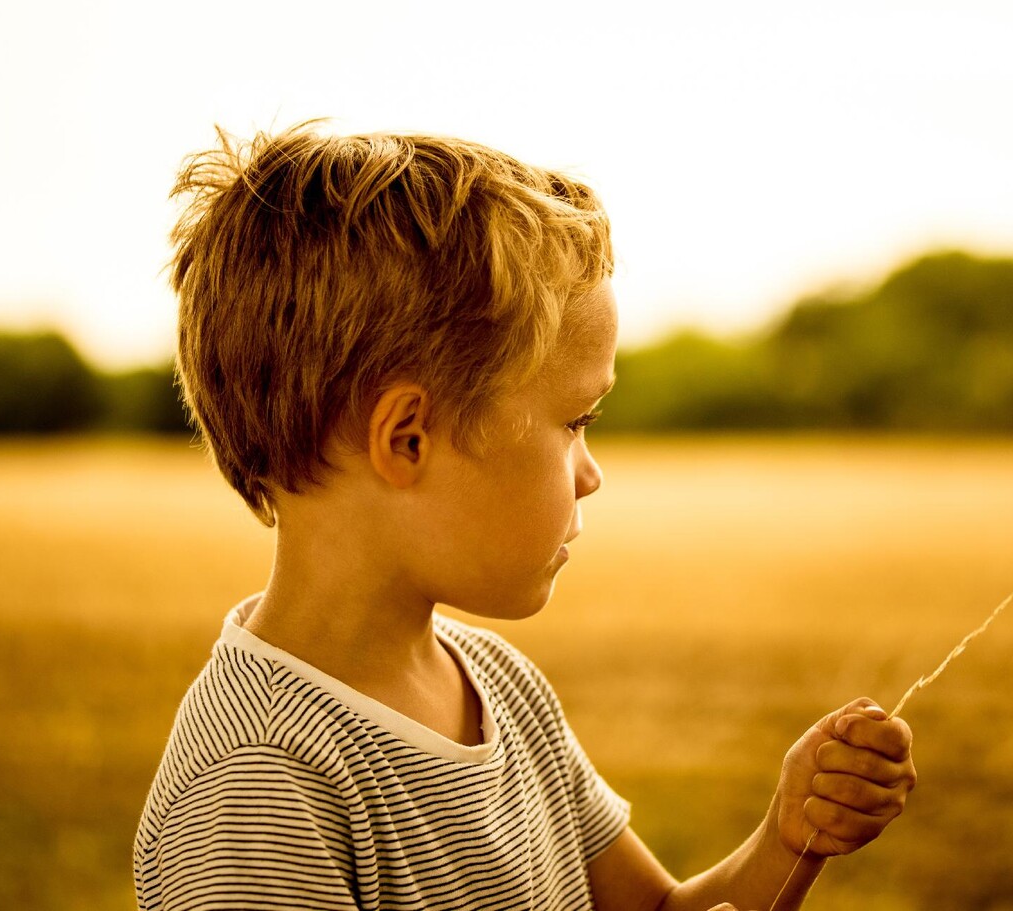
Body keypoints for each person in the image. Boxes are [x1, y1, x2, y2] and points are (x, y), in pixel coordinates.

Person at [133, 120, 916, 911]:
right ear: (407, 439)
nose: (591, 473)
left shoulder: (502, 686)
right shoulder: (259, 787)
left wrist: (789, 837)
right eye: (574, 421)